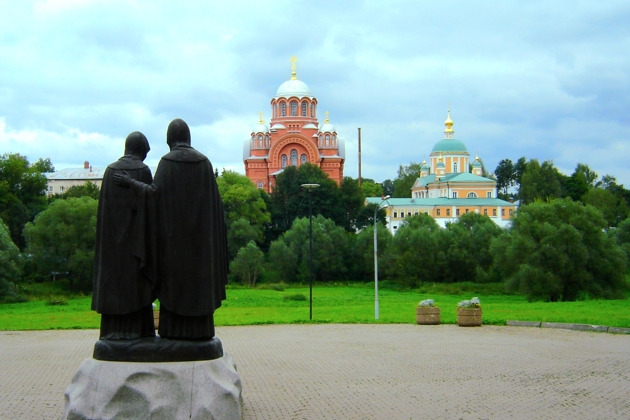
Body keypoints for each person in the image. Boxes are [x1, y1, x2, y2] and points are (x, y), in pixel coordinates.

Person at [117, 119, 228, 340]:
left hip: (174, 244)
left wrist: (132, 184)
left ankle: (173, 333)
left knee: (174, 285)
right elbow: (214, 207)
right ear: (188, 138)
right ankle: (201, 333)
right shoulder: (204, 163)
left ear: (170, 139)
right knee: (198, 286)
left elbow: (154, 196)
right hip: (200, 245)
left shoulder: (168, 162)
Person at [92, 131, 155, 340]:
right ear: (140, 150)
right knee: (136, 285)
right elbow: (151, 203)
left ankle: (112, 333)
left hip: (111, 243)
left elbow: (104, 211)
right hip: (136, 244)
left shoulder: (109, 171)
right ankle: (139, 332)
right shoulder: (142, 170)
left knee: (115, 284)